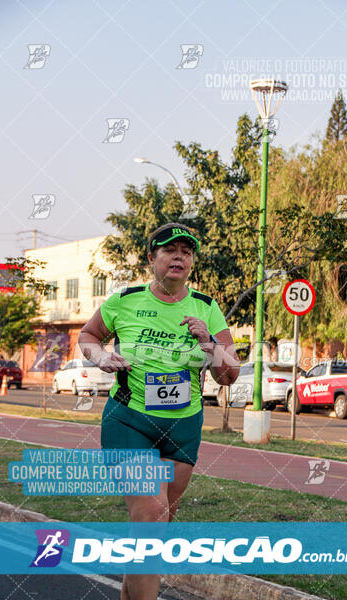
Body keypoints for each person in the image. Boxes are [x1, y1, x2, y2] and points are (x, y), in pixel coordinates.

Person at [78, 222, 239, 600]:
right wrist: (100, 357)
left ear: (192, 261)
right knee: (151, 517)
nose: (178, 256)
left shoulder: (206, 307)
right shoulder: (126, 300)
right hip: (130, 421)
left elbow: (229, 374)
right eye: (169, 250)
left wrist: (210, 341)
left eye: (186, 251)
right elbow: (87, 336)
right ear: (152, 258)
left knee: (155, 527)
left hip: (184, 426)